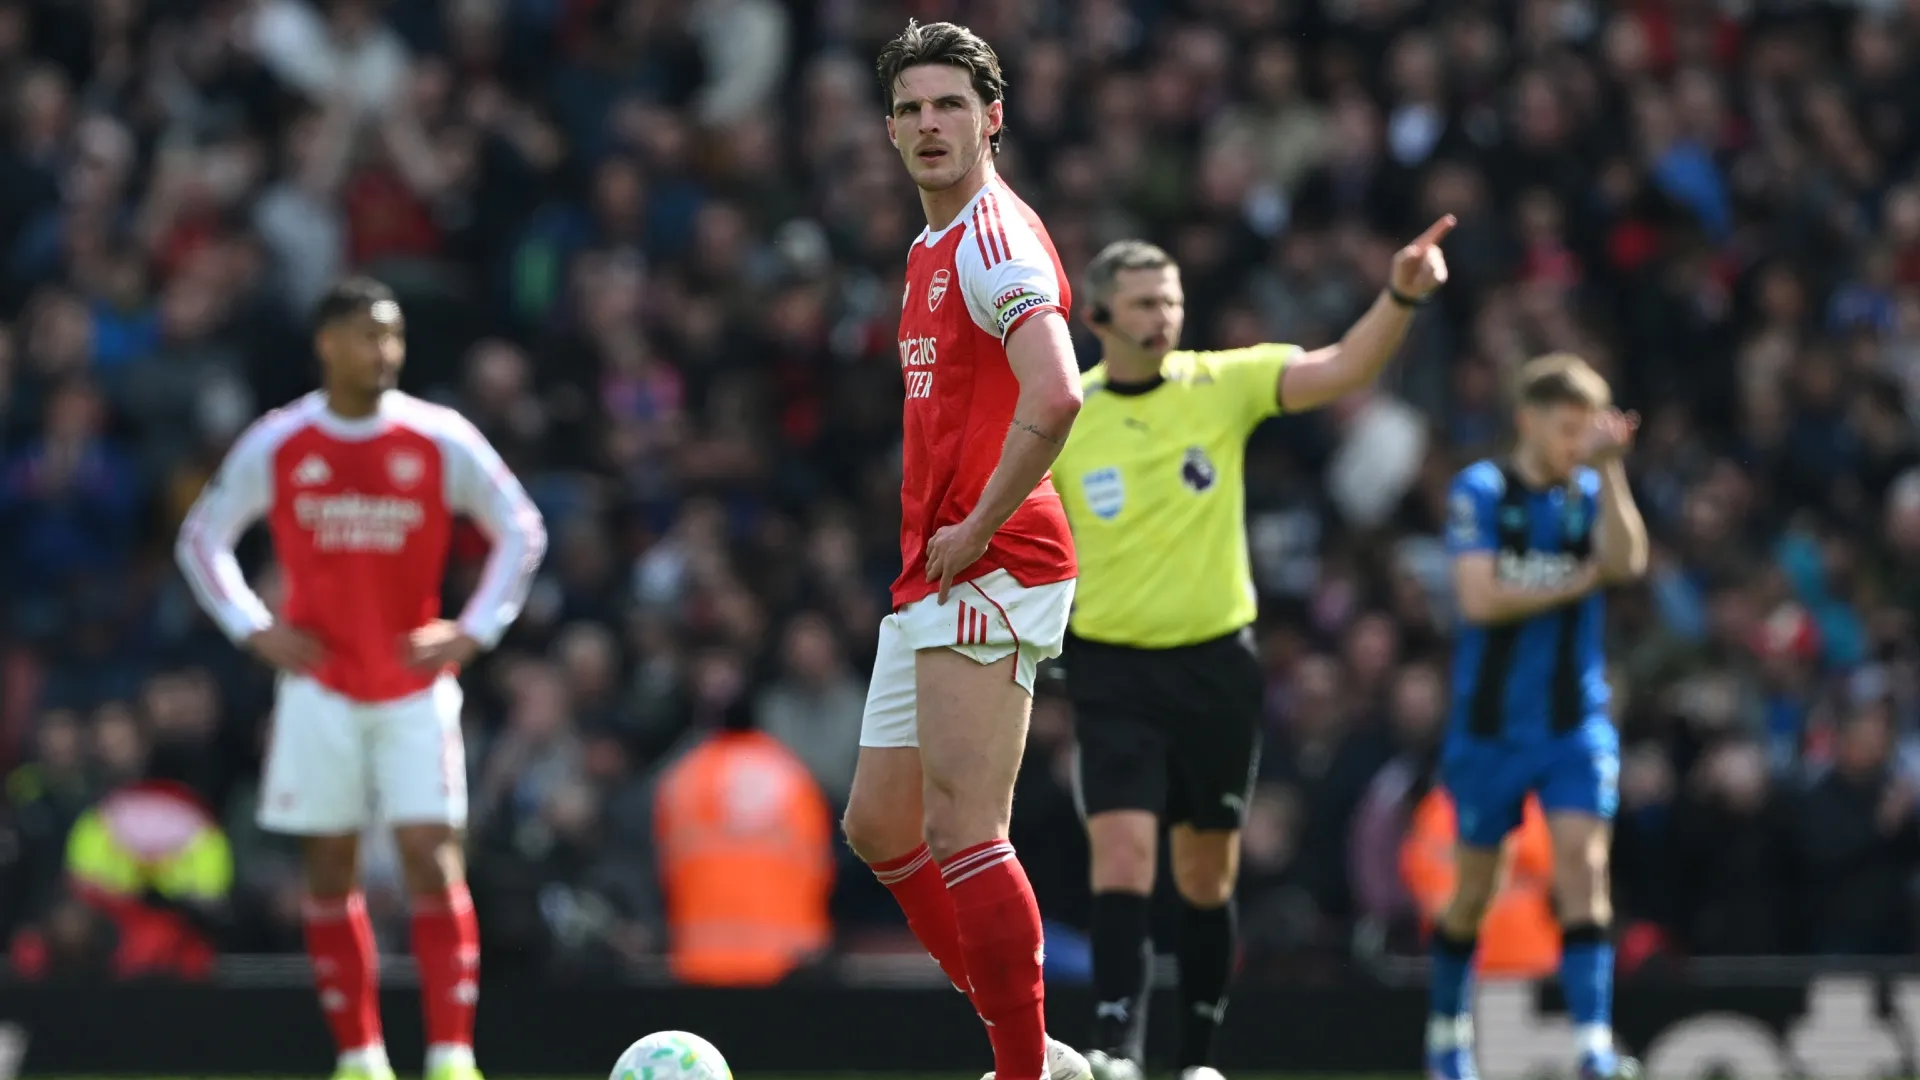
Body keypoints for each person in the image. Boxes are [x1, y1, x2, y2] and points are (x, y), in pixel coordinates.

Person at [1050, 230, 1453, 1080]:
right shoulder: (1065, 416)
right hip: (1111, 669)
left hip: (1214, 668)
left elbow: (1343, 367)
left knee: (1204, 873)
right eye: (1143, 305)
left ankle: (1195, 1059)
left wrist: (1403, 295)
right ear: (1096, 318)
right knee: (1121, 855)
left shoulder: (1220, 383)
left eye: (1171, 301)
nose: (1163, 318)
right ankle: (1117, 1052)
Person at [175, 277, 547, 1080]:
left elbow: (520, 526)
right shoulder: (281, 441)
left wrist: (476, 628)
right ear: (326, 343)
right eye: (368, 335)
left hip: (414, 688)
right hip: (320, 688)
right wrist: (252, 628)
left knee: (430, 854)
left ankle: (451, 1056)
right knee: (329, 868)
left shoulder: (438, 437)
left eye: (393, 336)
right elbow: (203, 537)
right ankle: (361, 1058)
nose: (384, 351)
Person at [836, 20, 1089, 1080]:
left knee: (967, 829)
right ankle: (1035, 1052)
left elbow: (1059, 388)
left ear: (993, 118)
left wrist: (980, 524)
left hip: (995, 558)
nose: (930, 124)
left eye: (951, 105)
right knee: (880, 827)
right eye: (911, 108)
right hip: (936, 566)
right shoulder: (929, 248)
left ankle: (1026, 1070)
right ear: (890, 131)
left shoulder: (993, 239)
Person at [1429, 353, 1649, 1080]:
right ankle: (1446, 1029)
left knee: (1583, 866)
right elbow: (1480, 598)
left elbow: (1631, 560)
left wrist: (1613, 471)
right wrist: (1583, 577)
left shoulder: (1591, 491)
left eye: (1587, 431)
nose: (1576, 445)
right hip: (1489, 729)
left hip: (1572, 725)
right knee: (1473, 893)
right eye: (1566, 429)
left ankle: (1593, 1042)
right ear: (1528, 420)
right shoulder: (1484, 489)